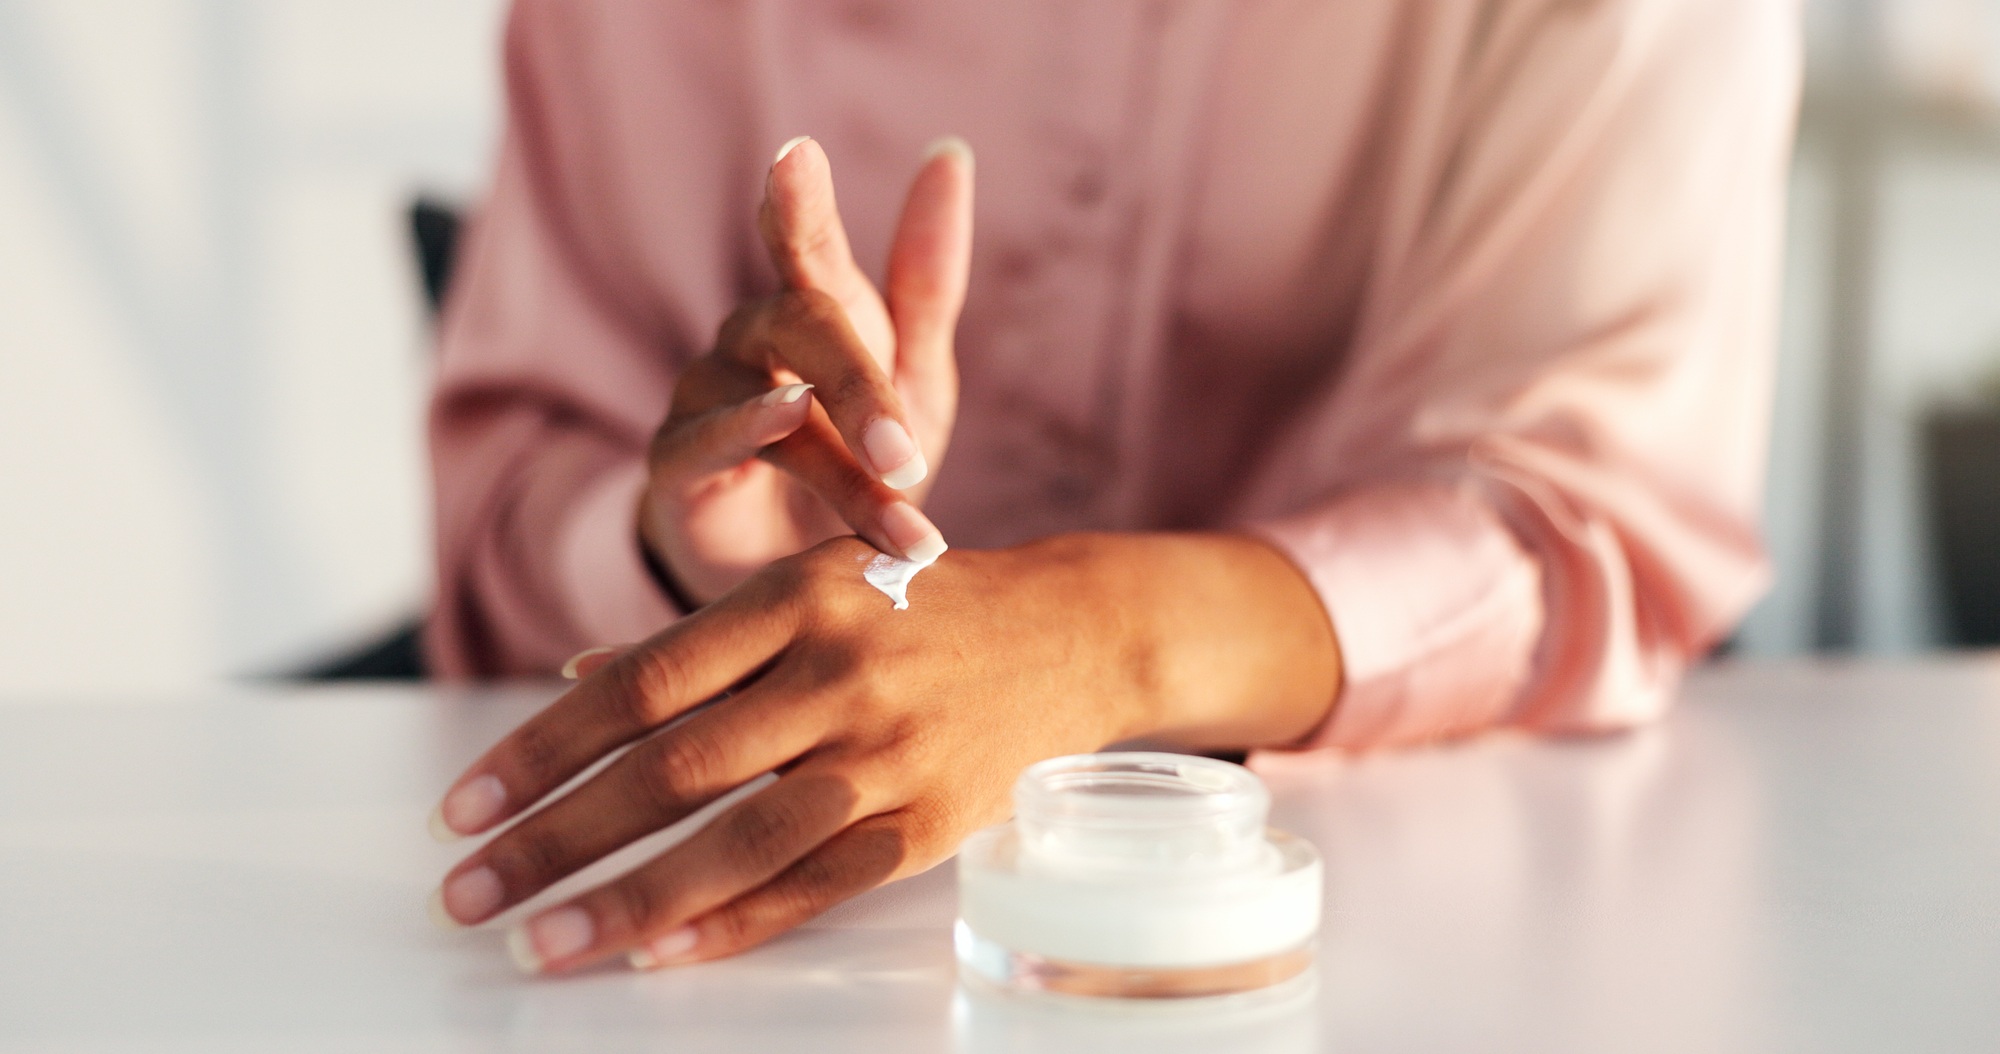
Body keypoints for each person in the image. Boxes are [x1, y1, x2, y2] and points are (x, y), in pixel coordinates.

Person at [424, 0, 1800, 975]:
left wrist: (1089, 638)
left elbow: (1590, 508)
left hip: (1422, 925)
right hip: (781, 933)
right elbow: (507, 485)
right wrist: (690, 547)